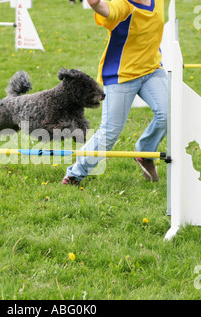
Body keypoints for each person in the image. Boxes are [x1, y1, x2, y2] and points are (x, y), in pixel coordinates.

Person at [62, 0, 168, 185]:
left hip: (152, 70)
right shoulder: (124, 5)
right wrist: (94, 3)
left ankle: (144, 152)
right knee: (109, 132)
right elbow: (103, 8)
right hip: (121, 75)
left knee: (167, 114)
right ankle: (76, 173)